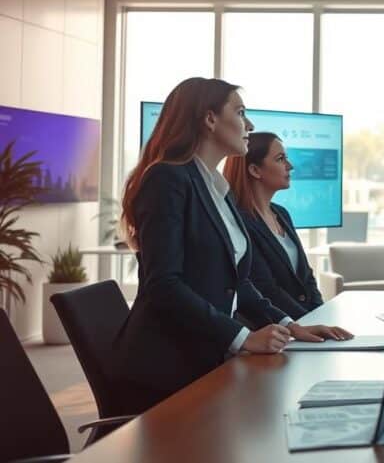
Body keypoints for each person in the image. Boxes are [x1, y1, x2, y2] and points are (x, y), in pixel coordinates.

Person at [112, 78, 352, 414]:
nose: (249, 125)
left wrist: (289, 326)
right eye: (240, 112)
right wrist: (242, 336)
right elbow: (163, 284)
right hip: (167, 369)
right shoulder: (167, 179)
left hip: (206, 357)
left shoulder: (216, 189)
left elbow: (238, 282)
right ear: (209, 119)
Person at [224, 132, 324, 320]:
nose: (290, 166)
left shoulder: (281, 213)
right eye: (280, 159)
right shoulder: (238, 220)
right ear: (255, 170)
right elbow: (266, 288)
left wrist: (320, 316)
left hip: (304, 326)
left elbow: (307, 277)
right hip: (274, 329)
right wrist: (304, 324)